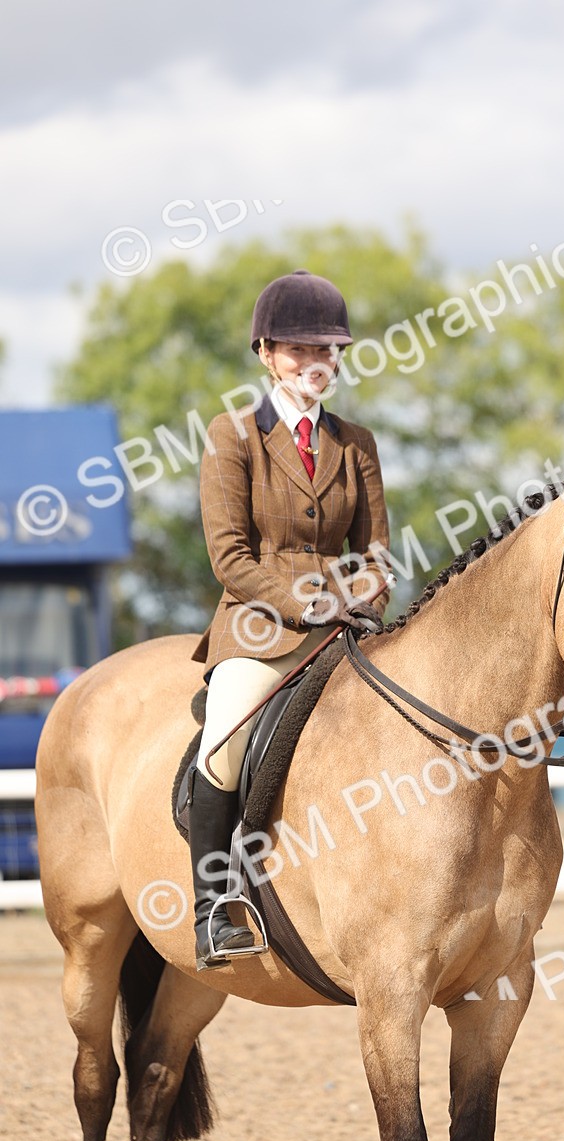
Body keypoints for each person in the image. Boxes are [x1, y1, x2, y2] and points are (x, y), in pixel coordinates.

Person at [188, 269, 391, 970]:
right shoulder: (232, 435)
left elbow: (377, 553)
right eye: (301, 351)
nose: (317, 365)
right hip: (257, 628)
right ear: (268, 353)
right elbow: (230, 559)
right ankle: (214, 906)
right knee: (225, 745)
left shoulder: (357, 444)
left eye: (327, 351)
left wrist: (363, 597)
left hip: (344, 632)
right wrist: (307, 603)